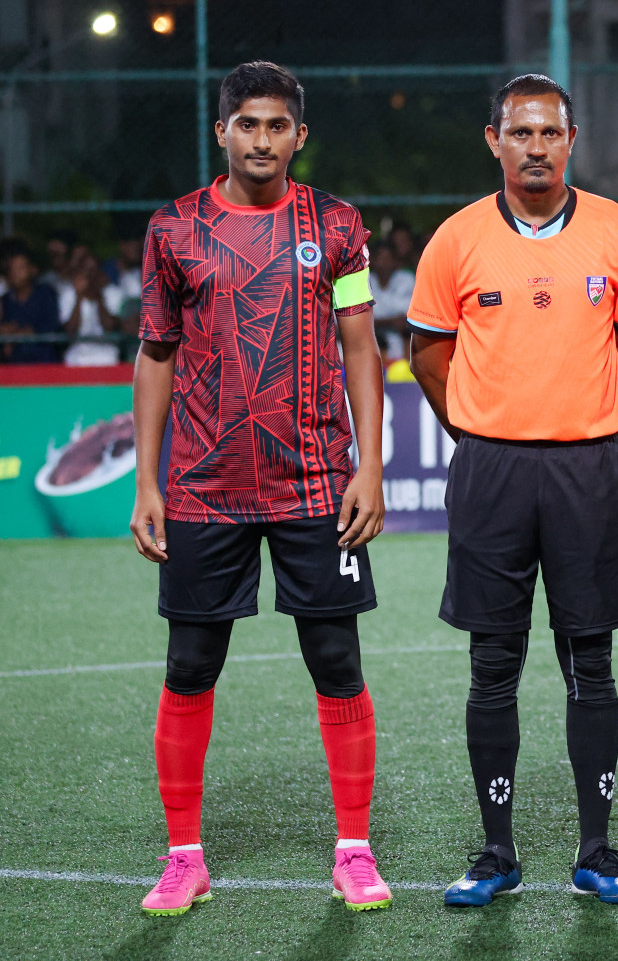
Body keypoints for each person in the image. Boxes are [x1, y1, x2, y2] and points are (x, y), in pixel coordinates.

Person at [129, 61, 390, 917]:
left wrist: (371, 466)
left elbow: (360, 346)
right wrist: (148, 482)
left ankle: (353, 850)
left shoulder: (338, 226)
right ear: (222, 132)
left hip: (317, 484)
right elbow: (156, 354)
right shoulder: (174, 230)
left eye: (278, 125)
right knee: (191, 664)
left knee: (336, 659)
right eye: (248, 124)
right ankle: (183, 856)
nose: (263, 139)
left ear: (299, 136)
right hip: (204, 487)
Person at [407, 73, 618, 907]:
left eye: (550, 133)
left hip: (585, 468)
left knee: (591, 660)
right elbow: (428, 353)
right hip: (491, 471)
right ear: (494, 141)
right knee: (492, 665)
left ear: (571, 141)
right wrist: (481, 427)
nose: (536, 147)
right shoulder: (457, 239)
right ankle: (497, 852)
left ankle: (596, 850)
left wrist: (581, 414)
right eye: (521, 134)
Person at [58, 249, 126, 366]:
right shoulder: (68, 293)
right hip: (77, 355)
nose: (90, 275)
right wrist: (79, 296)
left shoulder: (113, 293)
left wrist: (98, 296)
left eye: (94, 270)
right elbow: (70, 330)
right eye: (86, 270)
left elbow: (109, 326)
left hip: (107, 355)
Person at [0, 245, 63, 363]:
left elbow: (51, 327)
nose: (16, 273)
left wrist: (22, 333)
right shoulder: (5, 300)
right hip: (14, 367)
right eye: (12, 269)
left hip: (44, 363)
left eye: (20, 268)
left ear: (30, 269)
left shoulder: (46, 294)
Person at [366, 240, 414, 359]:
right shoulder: (364, 280)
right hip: (368, 345)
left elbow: (407, 320)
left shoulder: (406, 279)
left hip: (401, 347)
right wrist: (390, 321)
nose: (384, 263)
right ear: (372, 260)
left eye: (388, 258)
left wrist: (375, 322)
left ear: (395, 261)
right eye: (380, 258)